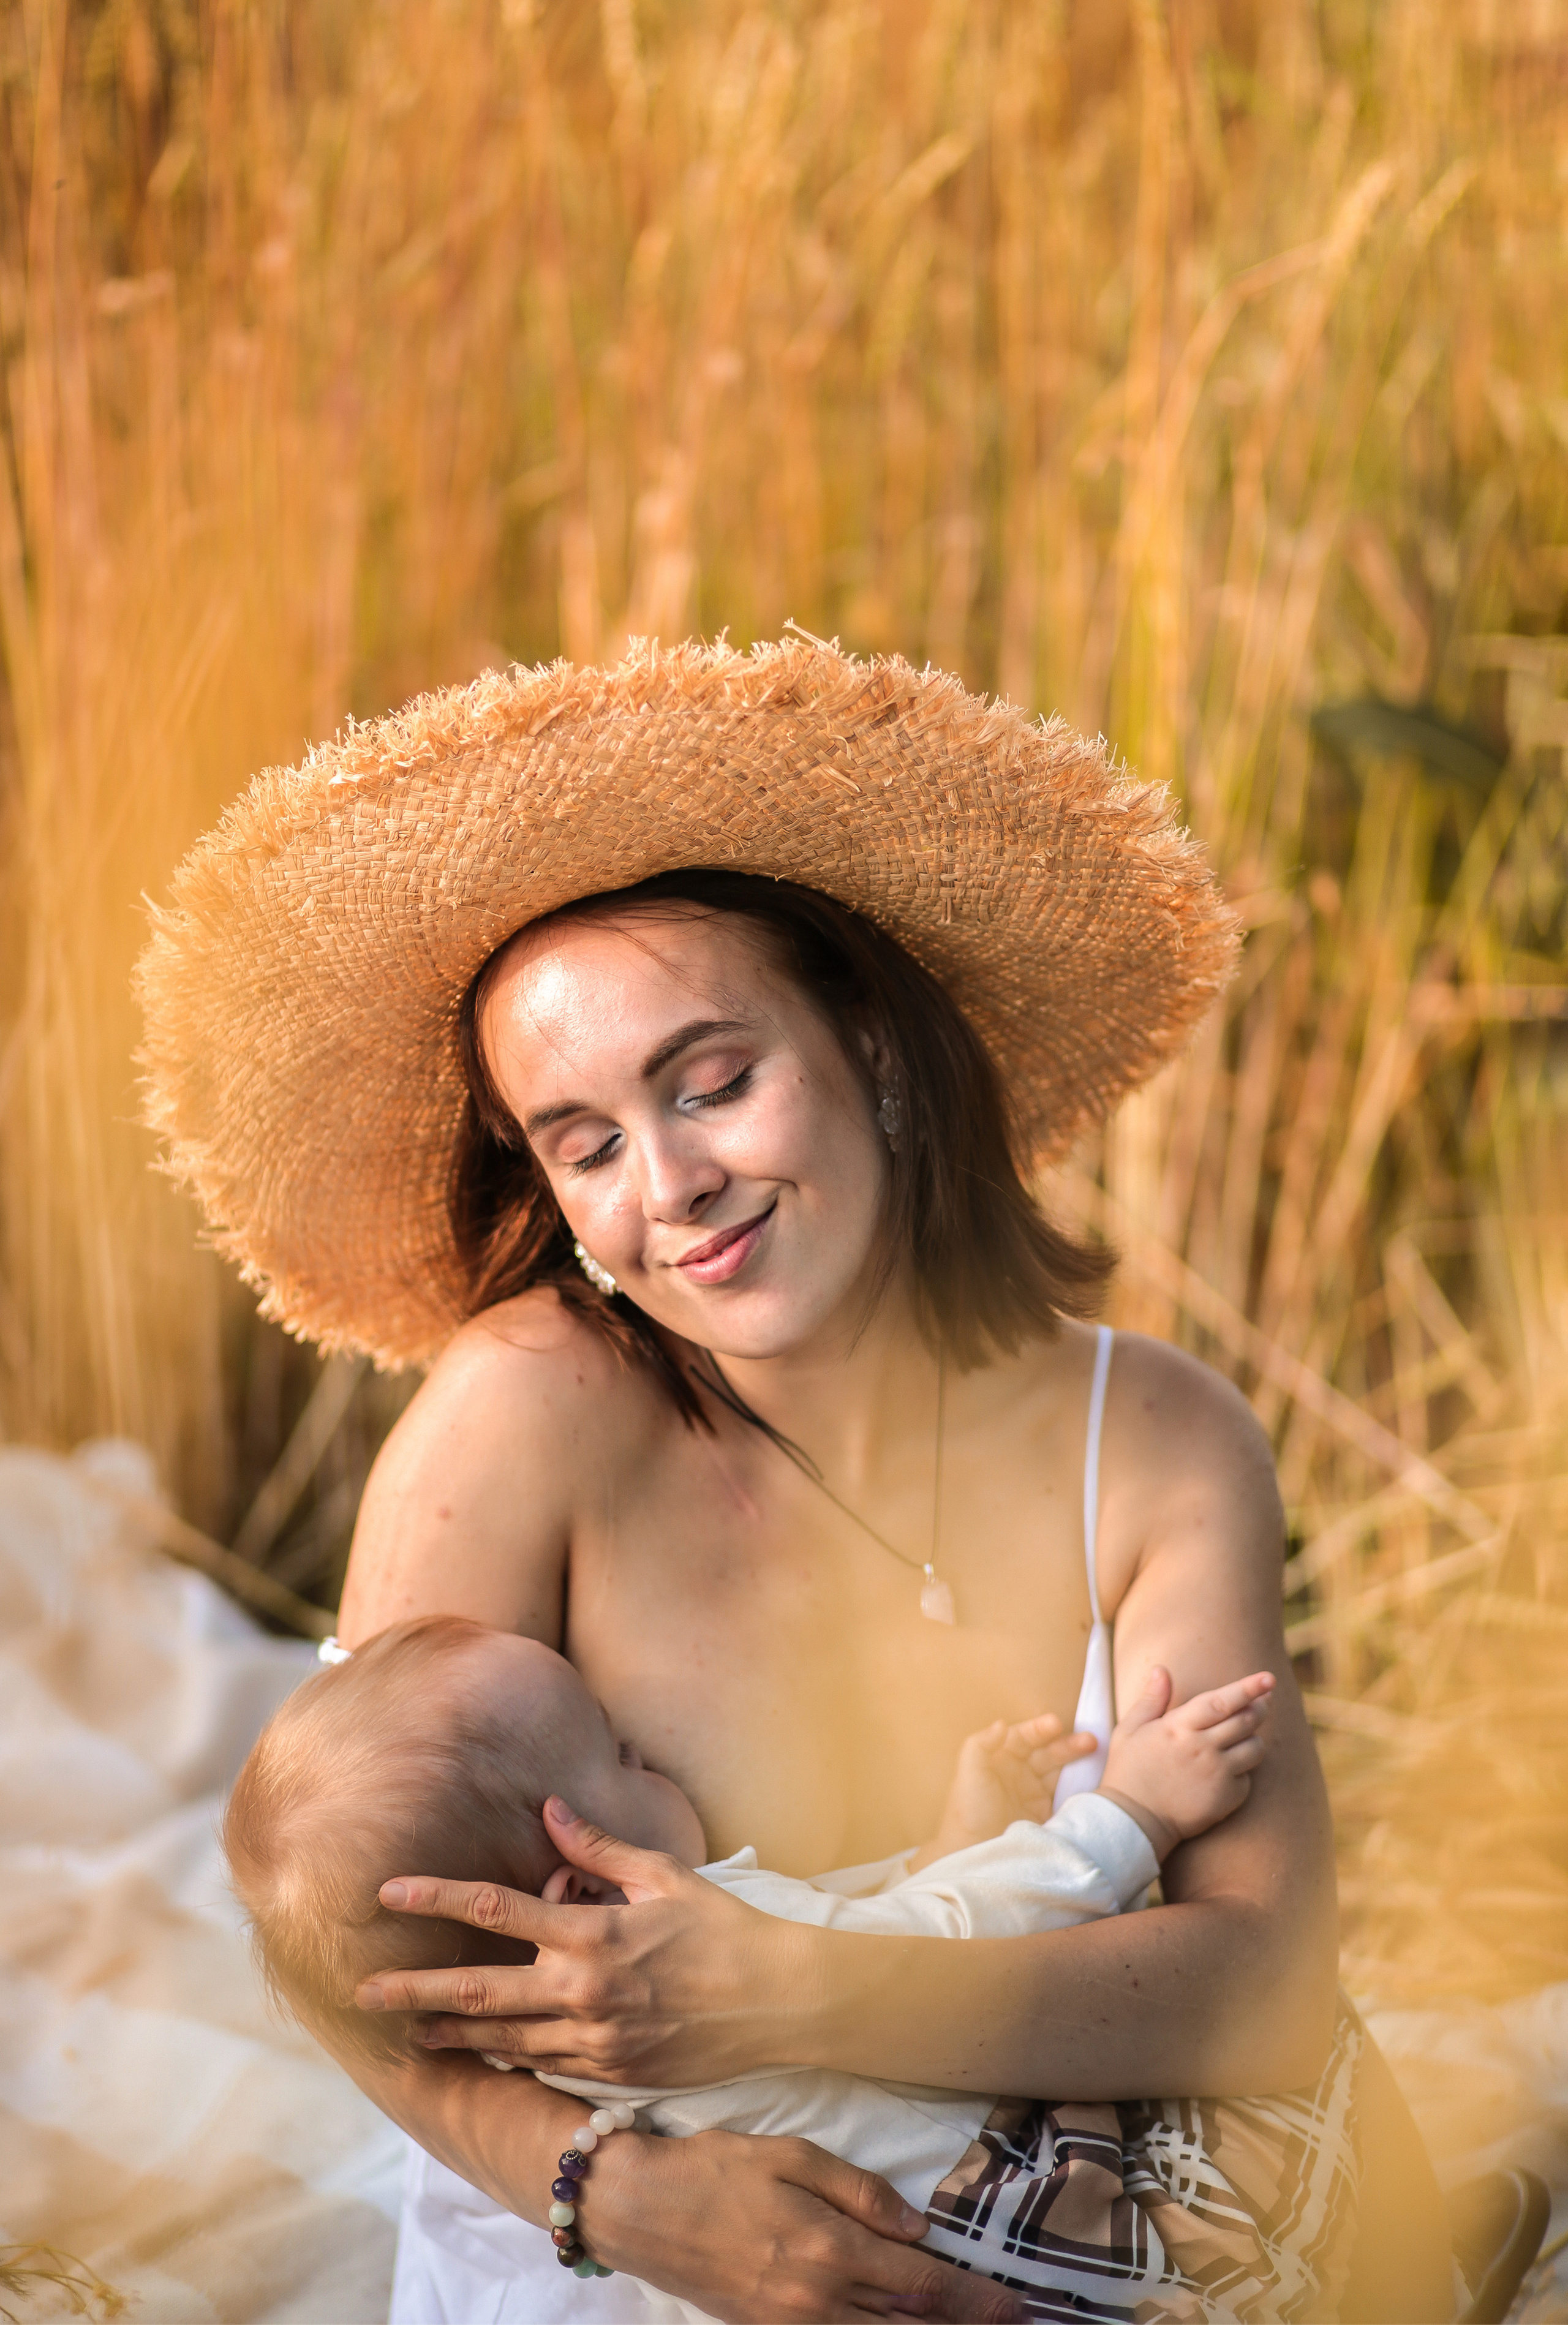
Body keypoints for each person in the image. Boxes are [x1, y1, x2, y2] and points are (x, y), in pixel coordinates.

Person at [139, 637, 1455, 2324]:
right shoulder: (520, 1417)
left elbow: (1254, 1984)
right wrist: (617, 2190)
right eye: (586, 1141)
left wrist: (801, 1988)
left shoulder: (1160, 1441)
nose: (673, 1184)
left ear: (879, 1052)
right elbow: (354, 1949)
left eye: (713, 1081)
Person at [224, 1610, 1278, 2318]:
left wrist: (948, 1839)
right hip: (1037, 2265)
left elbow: (858, 1939)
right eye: (618, 1755)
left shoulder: (561, 2064)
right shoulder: (694, 1930)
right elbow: (964, 1936)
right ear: (585, 1897)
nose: (649, 1751)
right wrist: (1132, 1811)